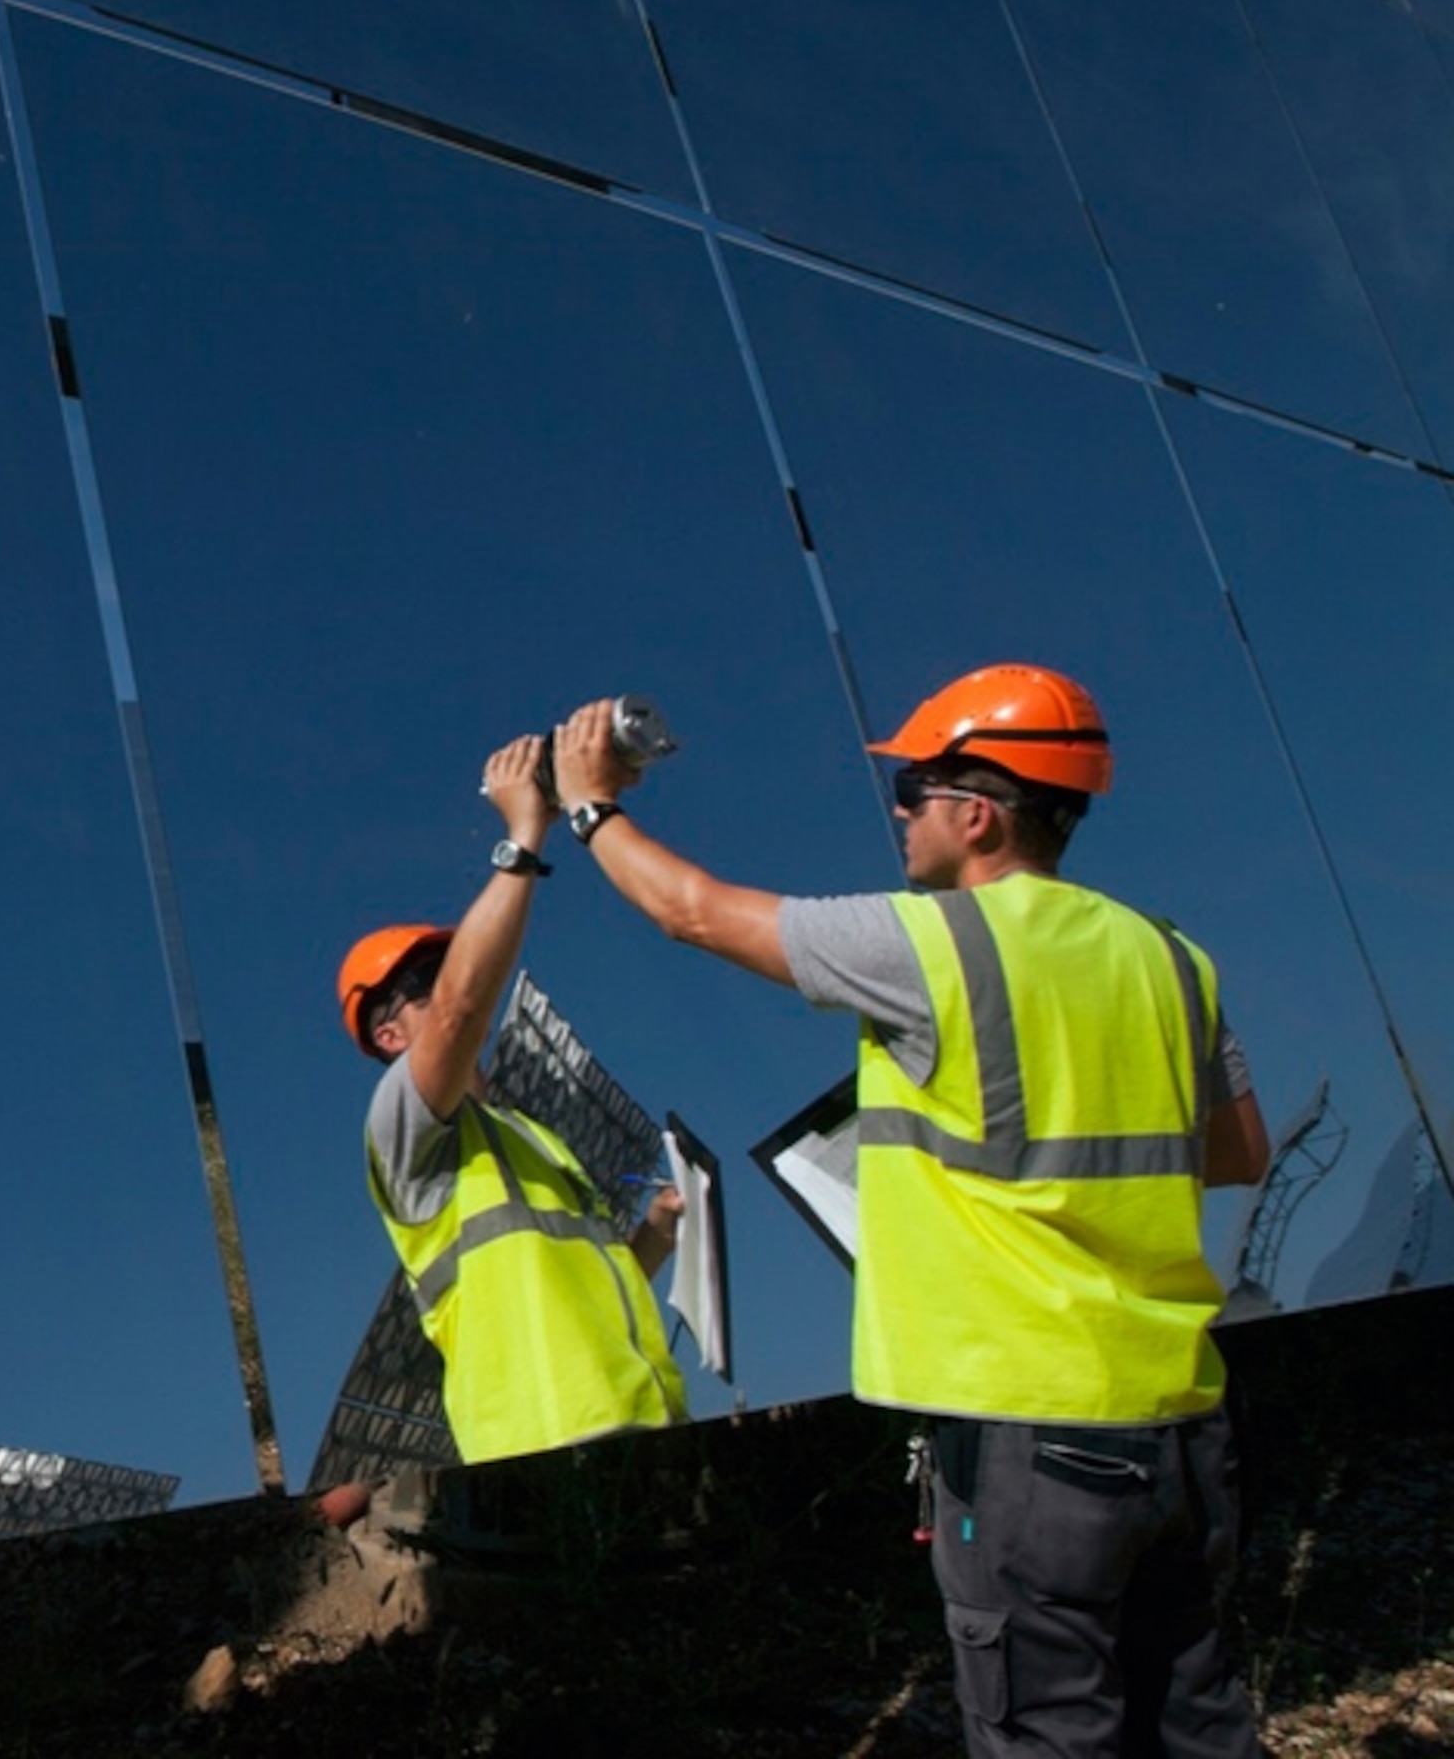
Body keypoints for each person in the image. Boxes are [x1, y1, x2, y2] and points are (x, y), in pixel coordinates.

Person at [548, 665, 1273, 1758]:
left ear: (978, 814)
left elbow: (690, 911)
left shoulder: (930, 944)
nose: (899, 810)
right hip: (1184, 1425)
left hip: (1031, 1440)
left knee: (1051, 1735)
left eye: (916, 790)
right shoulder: (1176, 959)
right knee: (1199, 1724)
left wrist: (589, 806)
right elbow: (1237, 1152)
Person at [338, 732, 688, 1468]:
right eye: (426, 982)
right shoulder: (401, 1129)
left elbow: (592, 1277)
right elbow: (465, 1007)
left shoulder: (530, 1138)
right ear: (388, 1032)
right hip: (547, 1445)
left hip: (646, 1423)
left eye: (450, 966)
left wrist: (656, 1231)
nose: (458, 979)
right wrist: (525, 834)